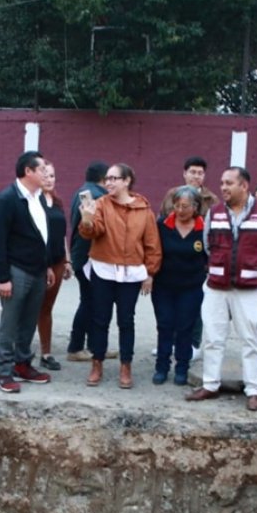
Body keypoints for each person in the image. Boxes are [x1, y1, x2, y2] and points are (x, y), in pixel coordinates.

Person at [185, 166, 257, 412]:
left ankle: (253, 390)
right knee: (213, 338)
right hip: (217, 286)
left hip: (250, 288)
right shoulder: (215, 212)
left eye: (229, 183)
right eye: (222, 182)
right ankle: (210, 384)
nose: (223, 187)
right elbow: (209, 245)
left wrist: (256, 267)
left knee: (250, 340)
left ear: (244, 186)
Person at [78, 162, 162, 389]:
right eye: (107, 179)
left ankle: (126, 366)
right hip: (103, 270)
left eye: (114, 178)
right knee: (99, 319)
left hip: (132, 273)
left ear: (127, 181)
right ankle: (97, 363)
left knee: (126, 321)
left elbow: (152, 244)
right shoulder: (101, 204)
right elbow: (94, 231)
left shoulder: (144, 210)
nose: (109, 182)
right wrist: (86, 219)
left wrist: (150, 273)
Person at [0, 150, 55, 394]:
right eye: (41, 169)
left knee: (28, 321)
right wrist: (4, 277)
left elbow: (40, 236)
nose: (46, 173)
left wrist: (46, 264)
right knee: (10, 323)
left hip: (37, 270)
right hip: (17, 272)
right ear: (28, 171)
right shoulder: (7, 198)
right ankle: (3, 373)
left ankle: (22, 365)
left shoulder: (38, 197)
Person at [152, 186, 207, 385]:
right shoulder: (162, 225)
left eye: (185, 206)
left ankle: (182, 367)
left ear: (195, 207)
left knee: (186, 328)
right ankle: (161, 367)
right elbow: (153, 251)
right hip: (164, 286)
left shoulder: (204, 228)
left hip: (192, 287)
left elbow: (210, 255)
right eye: (177, 205)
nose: (180, 210)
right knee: (165, 325)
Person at [66, 161, 108, 362]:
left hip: (81, 255)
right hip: (88, 257)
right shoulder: (97, 196)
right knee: (90, 302)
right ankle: (76, 347)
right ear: (103, 178)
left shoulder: (82, 192)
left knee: (92, 302)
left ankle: (94, 346)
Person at [37, 160, 71, 372]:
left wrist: (67, 260)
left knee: (47, 308)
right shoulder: (32, 202)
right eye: (45, 175)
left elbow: (61, 235)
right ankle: (20, 352)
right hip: (39, 263)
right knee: (31, 308)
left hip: (58, 262)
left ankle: (46, 353)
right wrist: (45, 265)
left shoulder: (57, 202)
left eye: (52, 176)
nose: (49, 179)